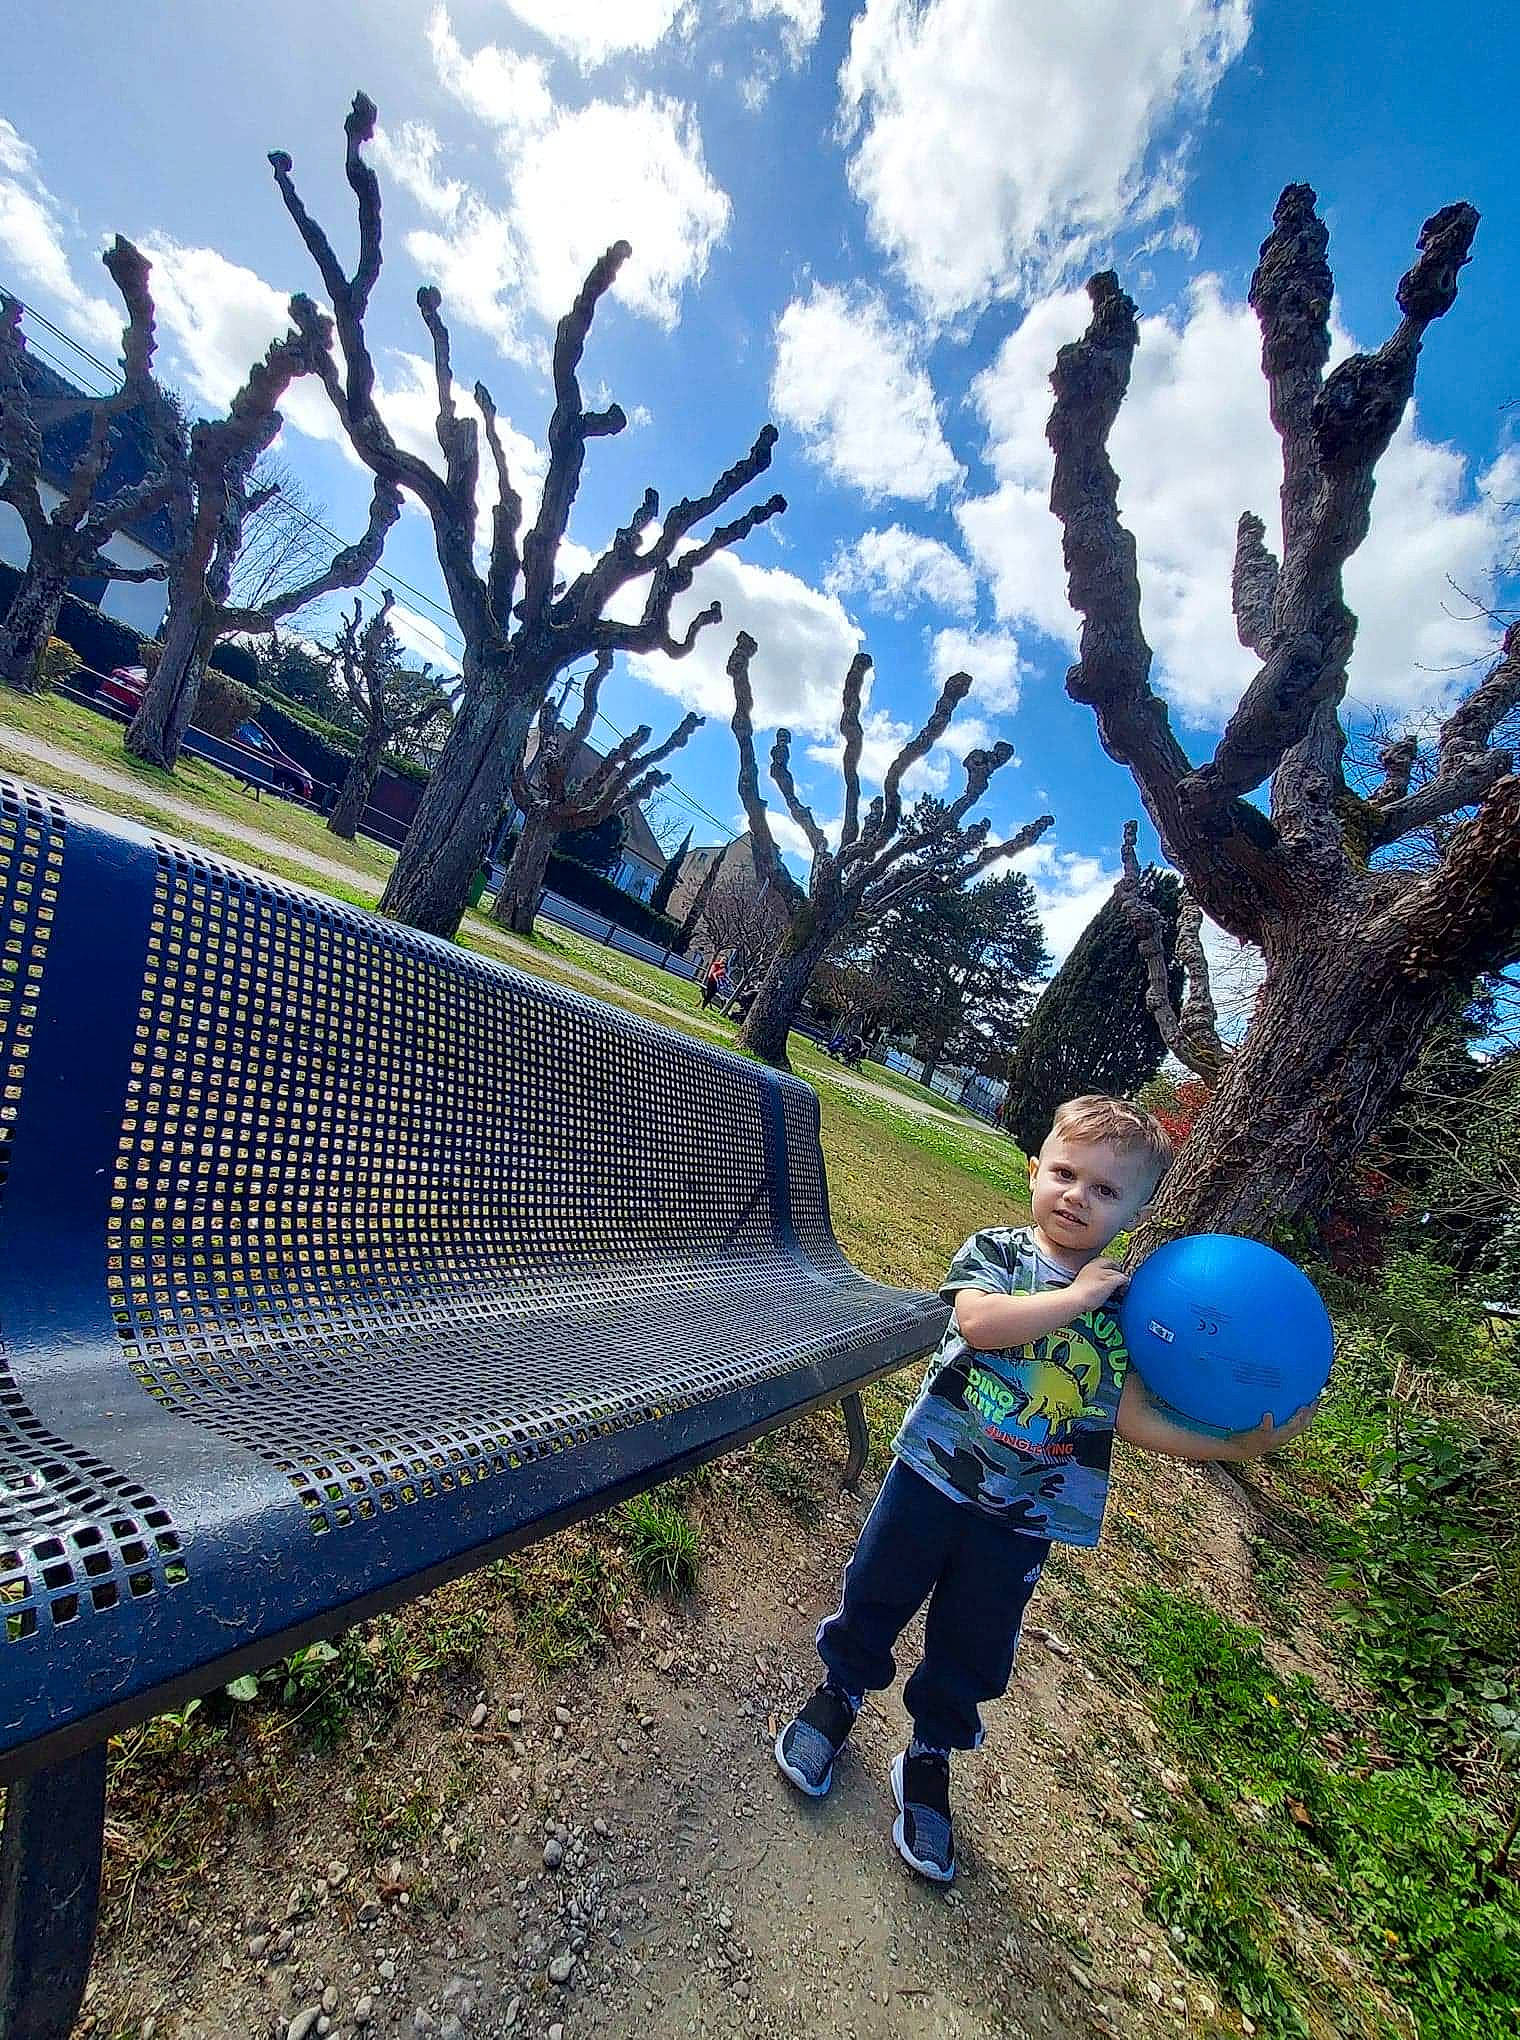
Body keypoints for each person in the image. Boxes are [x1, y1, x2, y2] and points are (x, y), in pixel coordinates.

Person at [772, 1093, 1319, 1883]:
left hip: (1025, 1513)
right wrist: (1075, 1298)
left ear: (1137, 1212)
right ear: (1035, 1170)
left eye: (1106, 1189)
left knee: (975, 1641)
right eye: (1065, 1173)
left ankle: (927, 1756)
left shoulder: (1130, 1315)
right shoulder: (995, 1252)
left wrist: (1238, 1443)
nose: (1077, 1196)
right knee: (879, 1590)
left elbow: (1133, 1418)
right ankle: (839, 1694)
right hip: (933, 1474)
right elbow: (981, 1325)